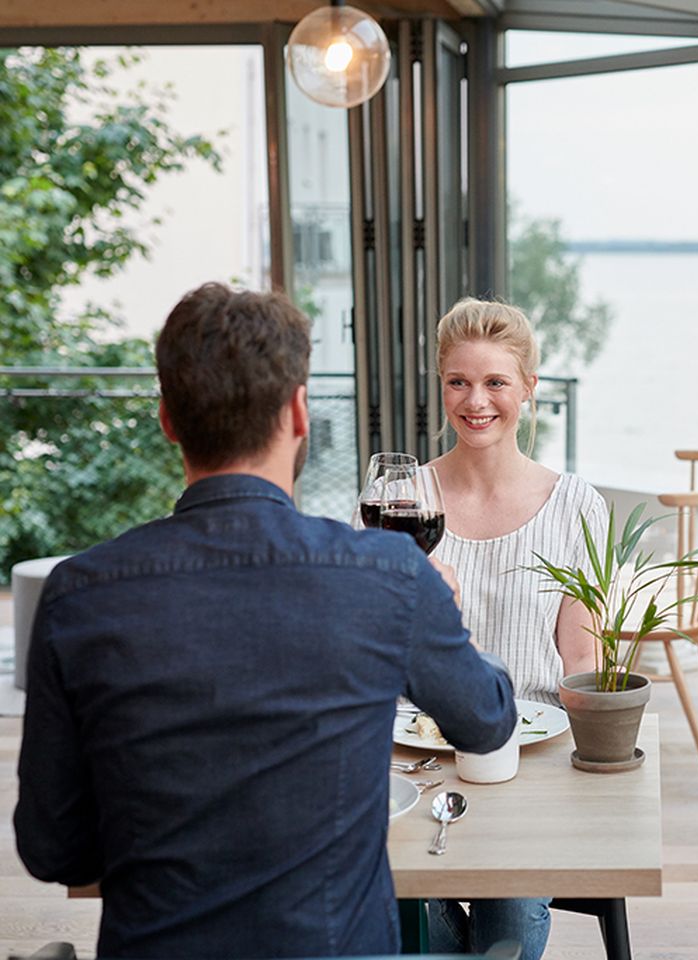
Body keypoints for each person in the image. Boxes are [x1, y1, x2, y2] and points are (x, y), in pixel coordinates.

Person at [13, 283, 517, 959]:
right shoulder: (388, 575)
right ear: (300, 412)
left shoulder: (77, 594)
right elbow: (487, 720)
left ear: (166, 418)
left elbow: (55, 851)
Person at [423, 297, 609, 959]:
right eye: (458, 381)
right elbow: (369, 651)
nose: (476, 400)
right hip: (418, 760)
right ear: (441, 384)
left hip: (529, 761)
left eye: (496, 381)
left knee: (506, 931)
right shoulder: (397, 501)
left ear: (529, 388)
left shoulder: (576, 506)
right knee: (401, 907)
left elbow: (580, 655)